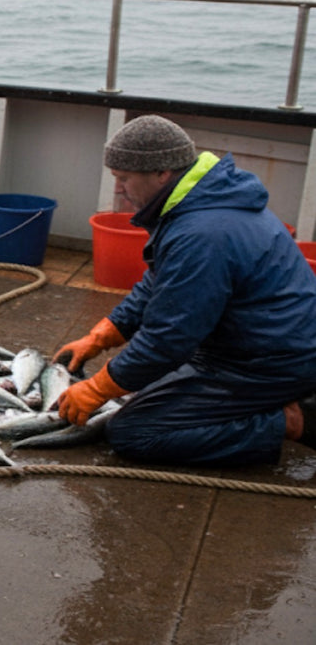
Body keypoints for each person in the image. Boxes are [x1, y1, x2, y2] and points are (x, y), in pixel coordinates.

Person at [55, 115, 316, 466]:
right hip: (251, 344)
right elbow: (160, 282)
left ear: (162, 173)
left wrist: (99, 388)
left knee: (134, 432)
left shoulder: (201, 233)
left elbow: (168, 338)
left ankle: (291, 420)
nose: (118, 189)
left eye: (124, 178)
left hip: (269, 363)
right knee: (139, 384)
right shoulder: (199, 203)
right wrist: (103, 335)